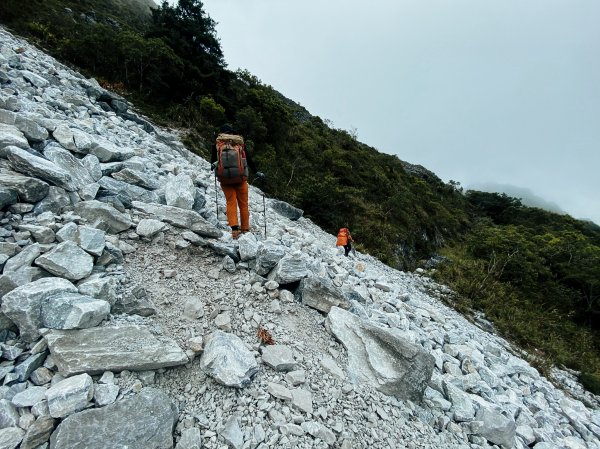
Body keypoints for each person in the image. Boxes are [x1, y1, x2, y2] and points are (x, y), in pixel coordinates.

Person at [211, 124, 264, 239]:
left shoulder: (218, 143)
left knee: (231, 202)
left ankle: (234, 230)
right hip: (240, 179)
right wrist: (256, 172)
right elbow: (248, 159)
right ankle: (245, 229)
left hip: (225, 179)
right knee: (243, 204)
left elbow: (213, 162)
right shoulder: (239, 143)